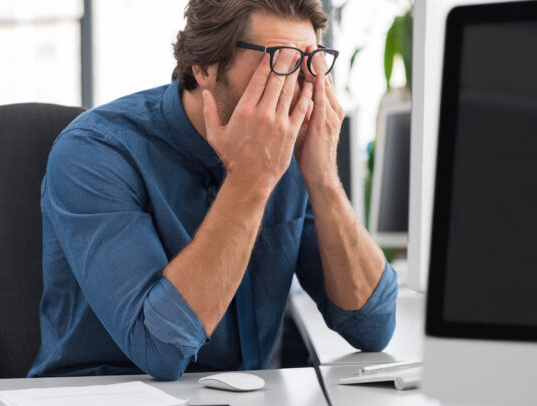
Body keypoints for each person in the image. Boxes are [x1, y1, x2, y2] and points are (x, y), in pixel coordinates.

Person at [29, 0, 398, 381]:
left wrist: (322, 178)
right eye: (279, 60)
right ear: (204, 66)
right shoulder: (95, 151)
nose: (300, 84)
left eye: (310, 62)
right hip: (106, 393)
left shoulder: (290, 153)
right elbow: (160, 350)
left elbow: (371, 327)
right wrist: (250, 180)